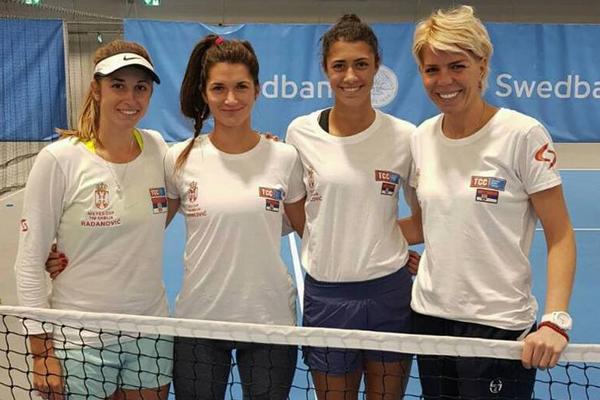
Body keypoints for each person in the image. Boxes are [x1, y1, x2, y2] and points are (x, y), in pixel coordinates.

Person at [408, 5, 576, 399]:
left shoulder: (522, 135)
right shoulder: (421, 137)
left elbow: (561, 234)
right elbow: (424, 223)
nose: (444, 80)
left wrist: (555, 320)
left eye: (457, 66)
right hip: (429, 319)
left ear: (482, 66)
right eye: (432, 69)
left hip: (498, 326)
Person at [14, 40, 172, 400]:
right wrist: (41, 353)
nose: (130, 98)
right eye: (118, 85)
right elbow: (28, 262)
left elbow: (188, 190)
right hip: (79, 339)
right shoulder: (59, 160)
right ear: (96, 90)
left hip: (151, 332)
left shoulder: (157, 148)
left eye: (140, 87)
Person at [164, 35, 306, 400]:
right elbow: (144, 228)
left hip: (269, 321)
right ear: (204, 92)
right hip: (199, 322)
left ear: (257, 89)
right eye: (219, 88)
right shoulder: (178, 158)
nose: (231, 99)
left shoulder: (284, 157)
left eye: (241, 86)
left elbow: (311, 230)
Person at [285, 14, 419, 400]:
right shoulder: (300, 132)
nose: (350, 76)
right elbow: (298, 210)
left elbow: (427, 220)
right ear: (326, 69)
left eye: (361, 64)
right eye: (339, 65)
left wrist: (380, 240)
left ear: (377, 66)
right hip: (327, 297)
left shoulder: (405, 137)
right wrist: (336, 239)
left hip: (389, 293)